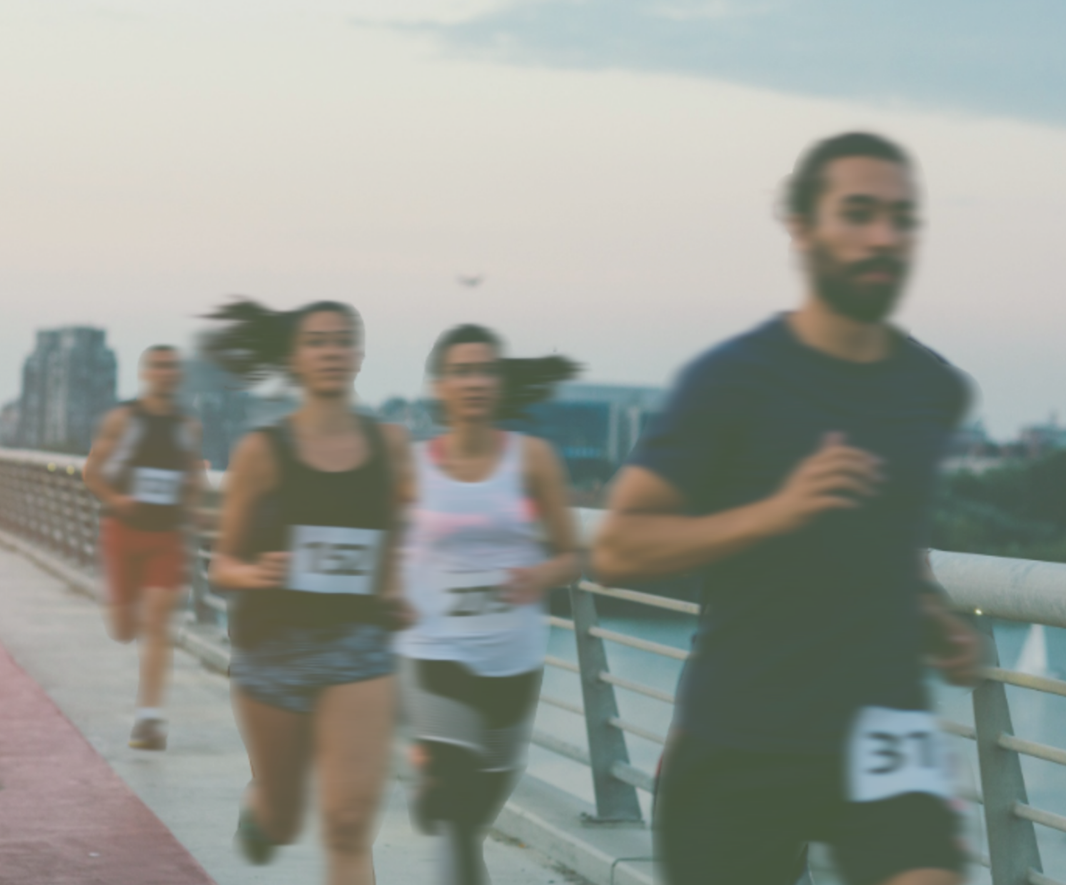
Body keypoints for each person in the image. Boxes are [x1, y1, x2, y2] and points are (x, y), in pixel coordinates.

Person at [593, 133, 983, 885]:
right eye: (857, 212)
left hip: (884, 732)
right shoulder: (732, 382)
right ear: (802, 226)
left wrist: (931, 616)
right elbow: (618, 548)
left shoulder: (930, 390)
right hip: (745, 736)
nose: (881, 235)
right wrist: (777, 509)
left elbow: (886, 541)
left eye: (901, 217)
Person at [203, 299, 410, 884]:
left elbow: (398, 534)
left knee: (347, 823)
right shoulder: (263, 451)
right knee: (286, 819)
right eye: (317, 341)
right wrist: (258, 572)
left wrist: (397, 585)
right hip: (274, 648)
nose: (332, 351)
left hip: (360, 646)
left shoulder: (390, 446)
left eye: (345, 340)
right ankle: (262, 808)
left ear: (360, 355)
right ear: (295, 358)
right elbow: (223, 564)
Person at [399, 324, 580, 885]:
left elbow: (573, 553)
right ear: (439, 386)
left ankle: (435, 783)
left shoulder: (534, 460)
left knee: (478, 804)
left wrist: (541, 572)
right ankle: (438, 780)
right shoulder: (409, 465)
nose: (473, 382)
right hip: (433, 651)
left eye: (484, 371)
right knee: (457, 814)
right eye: (460, 372)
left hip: (512, 658)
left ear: (498, 384)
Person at [84, 344, 204, 751]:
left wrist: (194, 503)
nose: (166, 373)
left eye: (173, 366)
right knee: (123, 628)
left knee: (157, 626)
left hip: (168, 535)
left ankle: (149, 720)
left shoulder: (187, 426)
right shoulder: (123, 420)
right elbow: (93, 472)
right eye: (158, 365)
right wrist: (118, 502)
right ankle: (123, 614)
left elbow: (192, 476)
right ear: (145, 372)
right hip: (124, 530)